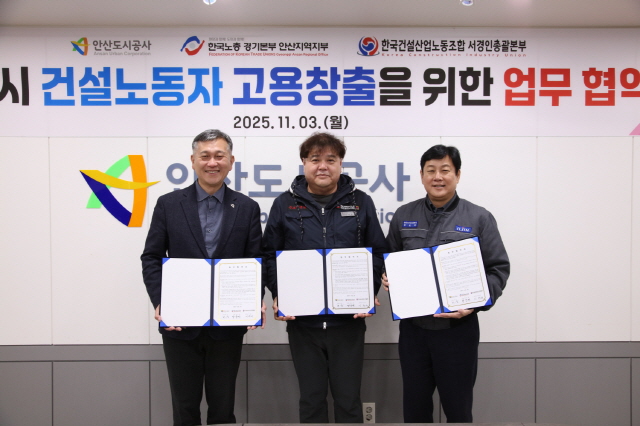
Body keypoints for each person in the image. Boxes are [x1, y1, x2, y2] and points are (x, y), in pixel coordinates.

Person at [141, 129, 265, 426]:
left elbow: (255, 261)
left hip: (228, 327)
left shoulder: (247, 207)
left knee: (223, 408)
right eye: (205, 156)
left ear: (231, 161)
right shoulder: (169, 204)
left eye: (219, 156)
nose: (212, 162)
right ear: (193, 160)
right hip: (180, 324)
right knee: (184, 408)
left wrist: (254, 300)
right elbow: (151, 258)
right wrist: (161, 301)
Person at [262, 132, 387, 423]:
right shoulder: (283, 204)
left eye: (331, 160)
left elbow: (378, 253)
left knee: (349, 401)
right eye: (315, 159)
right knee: (311, 400)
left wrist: (368, 293)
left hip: (348, 322)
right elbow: (269, 255)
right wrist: (280, 293)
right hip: (303, 323)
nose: (322, 166)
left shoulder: (361, 202)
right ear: (304, 163)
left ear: (340, 163)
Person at [383, 144, 510, 423]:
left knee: (458, 409)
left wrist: (474, 304)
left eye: (445, 170)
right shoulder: (404, 215)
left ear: (458, 174)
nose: (437, 177)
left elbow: (498, 269)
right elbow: (389, 258)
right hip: (414, 331)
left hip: (458, 331)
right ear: (421, 175)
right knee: (415, 410)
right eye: (431, 170)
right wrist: (386, 274)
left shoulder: (479, 217)